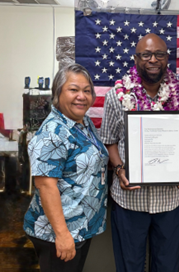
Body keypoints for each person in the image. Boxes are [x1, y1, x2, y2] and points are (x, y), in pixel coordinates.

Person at [100, 33, 179, 272]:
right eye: (146, 54)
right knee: (130, 266)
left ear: (167, 58)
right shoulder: (116, 96)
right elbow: (109, 141)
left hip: (170, 200)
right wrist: (120, 170)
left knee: (167, 266)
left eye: (159, 54)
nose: (153, 59)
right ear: (136, 58)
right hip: (129, 200)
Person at [23, 63, 109, 272]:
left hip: (80, 227)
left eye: (87, 91)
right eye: (74, 89)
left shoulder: (83, 123)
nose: (82, 96)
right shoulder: (53, 132)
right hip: (58, 234)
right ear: (57, 94)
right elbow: (45, 187)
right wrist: (62, 235)